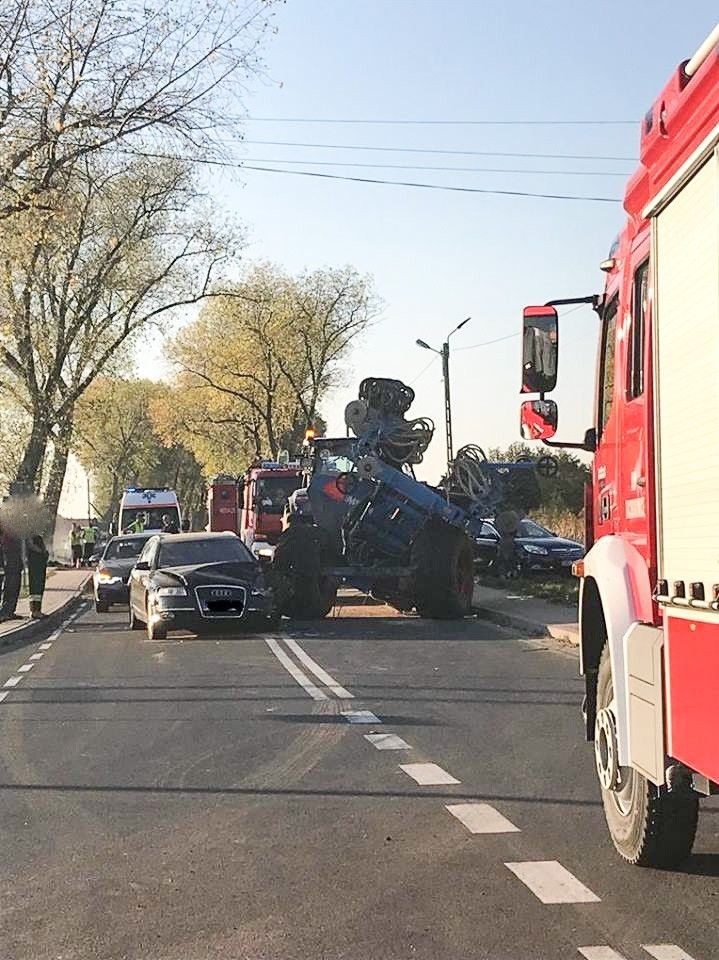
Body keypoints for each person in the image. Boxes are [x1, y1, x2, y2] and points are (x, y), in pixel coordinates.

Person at [0, 524, 23, 621]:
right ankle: (5, 612)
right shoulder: (5, 522)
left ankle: (10, 611)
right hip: (8, 553)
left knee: (15, 584)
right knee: (11, 584)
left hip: (14, 553)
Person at [26, 534, 49, 620]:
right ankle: (34, 611)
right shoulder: (31, 534)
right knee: (36, 587)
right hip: (36, 562)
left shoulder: (36, 534)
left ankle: (37, 610)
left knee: (38, 588)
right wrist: (41, 552)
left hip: (39, 561)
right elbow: (31, 545)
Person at [495, 509, 520, 580]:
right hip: (508, 543)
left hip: (505, 544)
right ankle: (510, 574)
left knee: (504, 560)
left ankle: (505, 575)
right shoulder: (513, 524)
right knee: (509, 560)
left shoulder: (503, 529)